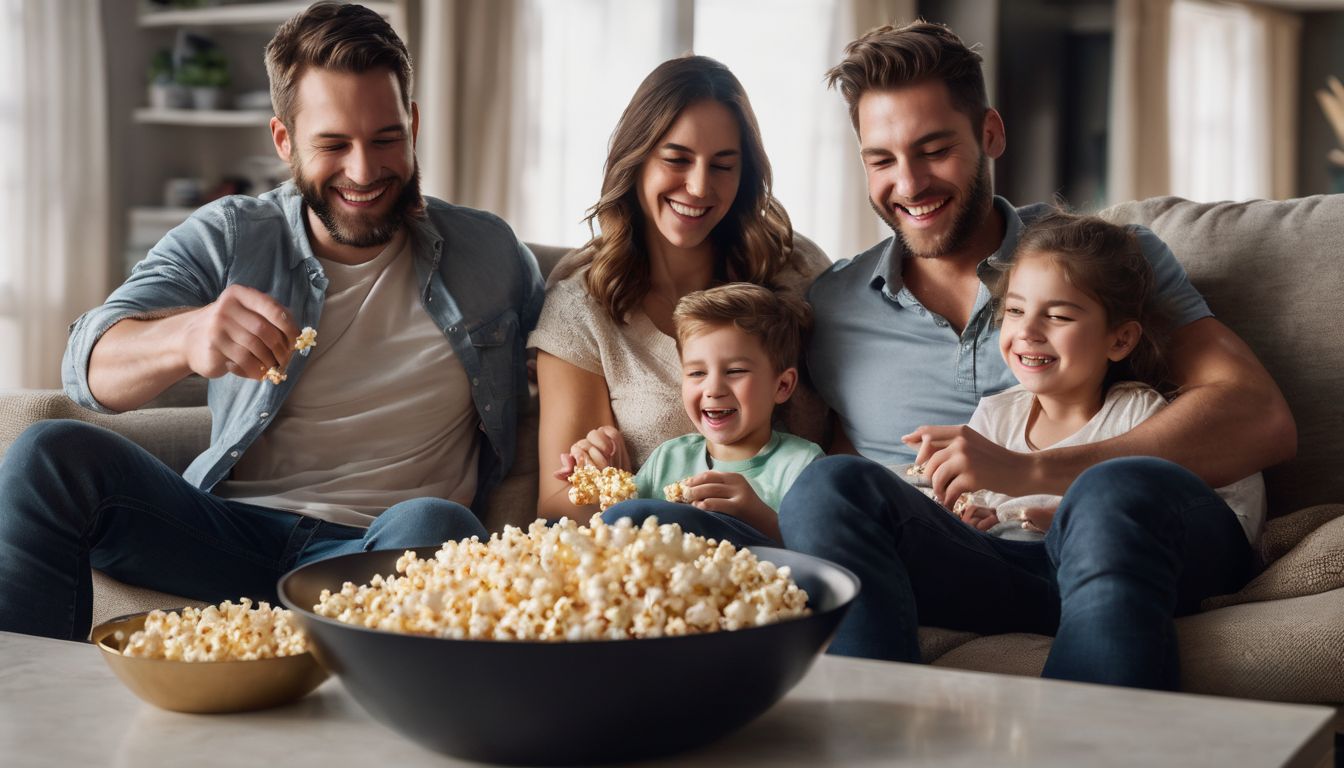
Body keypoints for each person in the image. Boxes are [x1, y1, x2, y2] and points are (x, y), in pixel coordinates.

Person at [0, 2, 543, 641]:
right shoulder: (232, 235)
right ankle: (28, 713)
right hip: (226, 534)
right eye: (333, 144)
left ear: (413, 123)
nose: (364, 172)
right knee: (47, 454)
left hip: (378, 548)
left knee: (436, 526)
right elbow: (86, 370)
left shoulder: (490, 254)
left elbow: (573, 348)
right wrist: (188, 334)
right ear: (284, 140)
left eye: (386, 139)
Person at [778, 20, 1294, 690]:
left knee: (1113, 492)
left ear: (990, 133)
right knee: (823, 486)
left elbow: (1259, 418)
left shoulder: (1106, 260)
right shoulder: (835, 306)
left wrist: (1035, 468)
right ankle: (875, 737)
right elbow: (860, 490)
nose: (909, 184)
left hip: (1137, 539)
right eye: (882, 159)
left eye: (934, 149)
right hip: (985, 561)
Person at [529, 54, 831, 522]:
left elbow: (852, 438)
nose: (697, 187)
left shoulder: (793, 268)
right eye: (677, 159)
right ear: (637, 159)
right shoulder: (581, 306)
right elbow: (558, 509)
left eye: (722, 166)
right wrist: (606, 476)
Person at [928, 211, 1264, 544]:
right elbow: (979, 505)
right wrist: (974, 516)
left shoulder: (1136, 415)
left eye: (1058, 316)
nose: (1027, 331)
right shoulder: (995, 415)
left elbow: (1154, 508)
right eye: (1015, 311)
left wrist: (1060, 520)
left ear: (1120, 340)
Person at [561, 283, 823, 546]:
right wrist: (598, 477)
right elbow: (621, 523)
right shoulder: (668, 458)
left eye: (735, 371)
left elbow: (818, 552)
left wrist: (758, 516)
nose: (713, 389)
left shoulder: (801, 465)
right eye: (697, 373)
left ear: (782, 386)